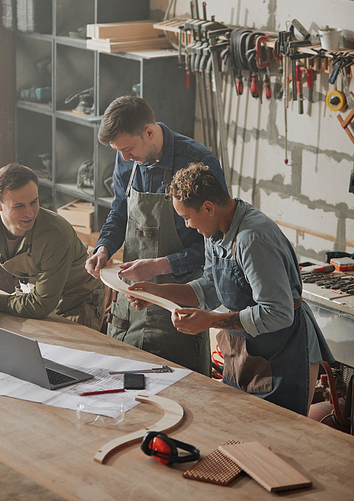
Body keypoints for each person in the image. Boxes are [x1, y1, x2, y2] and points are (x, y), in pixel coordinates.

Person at [129, 163, 334, 415]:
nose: (188, 225)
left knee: (278, 437)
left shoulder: (252, 239)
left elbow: (278, 313)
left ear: (208, 207)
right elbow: (210, 288)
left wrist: (211, 321)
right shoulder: (214, 232)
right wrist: (157, 292)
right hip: (244, 350)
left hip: (283, 352)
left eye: (187, 217)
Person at [85, 96, 226, 373]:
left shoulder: (198, 162)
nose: (124, 158)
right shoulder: (126, 157)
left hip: (176, 305)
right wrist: (103, 248)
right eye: (119, 151)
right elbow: (119, 211)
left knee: (179, 389)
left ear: (149, 132)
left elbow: (217, 245)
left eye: (128, 149)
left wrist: (161, 265)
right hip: (132, 300)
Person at [0, 164, 106, 336]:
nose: (30, 213)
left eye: (34, 202)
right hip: (33, 295)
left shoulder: (55, 233)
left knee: (69, 356)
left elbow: (40, 305)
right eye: (19, 206)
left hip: (77, 301)